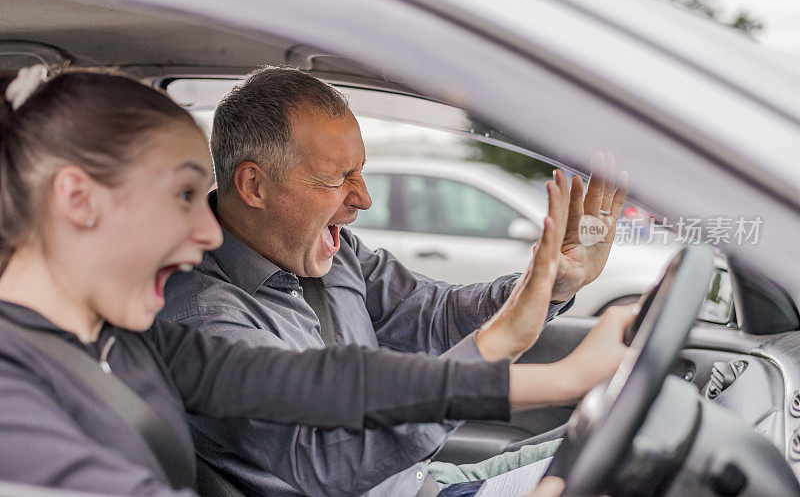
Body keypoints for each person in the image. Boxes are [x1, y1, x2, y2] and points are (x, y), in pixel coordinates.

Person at [0, 66, 632, 497]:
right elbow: (318, 457)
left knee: (622, 446)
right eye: (184, 197)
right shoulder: (173, 322)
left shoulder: (148, 344)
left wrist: (530, 340)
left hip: (420, 483)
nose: (202, 233)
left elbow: (329, 382)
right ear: (77, 201)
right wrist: (500, 358)